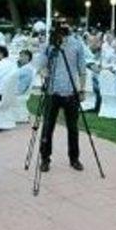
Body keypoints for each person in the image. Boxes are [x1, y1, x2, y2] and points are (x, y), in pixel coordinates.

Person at [38, 24, 86, 172]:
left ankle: (74, 158)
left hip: (71, 91)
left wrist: (82, 89)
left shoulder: (77, 45)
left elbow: (82, 69)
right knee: (47, 128)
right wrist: (44, 72)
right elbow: (41, 66)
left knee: (73, 128)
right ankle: (45, 158)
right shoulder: (49, 45)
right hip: (52, 92)